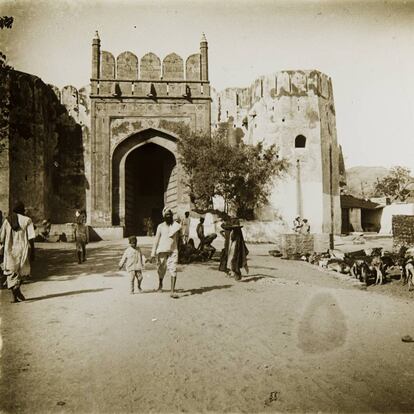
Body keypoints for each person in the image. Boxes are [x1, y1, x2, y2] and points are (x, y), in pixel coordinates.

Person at [0, 201, 35, 303]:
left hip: (9, 250)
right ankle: (17, 288)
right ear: (22, 210)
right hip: (22, 249)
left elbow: (1, 237)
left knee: (10, 272)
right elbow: (31, 237)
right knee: (22, 271)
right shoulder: (27, 220)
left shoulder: (7, 221)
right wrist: (33, 251)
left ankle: (14, 296)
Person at [151, 208, 182, 298]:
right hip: (162, 251)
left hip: (173, 251)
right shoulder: (160, 226)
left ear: (172, 216)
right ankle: (160, 284)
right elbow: (156, 240)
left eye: (170, 215)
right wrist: (153, 254)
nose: (168, 216)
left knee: (173, 270)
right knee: (161, 270)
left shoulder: (176, 226)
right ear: (164, 216)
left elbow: (179, 240)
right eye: (167, 215)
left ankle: (172, 291)